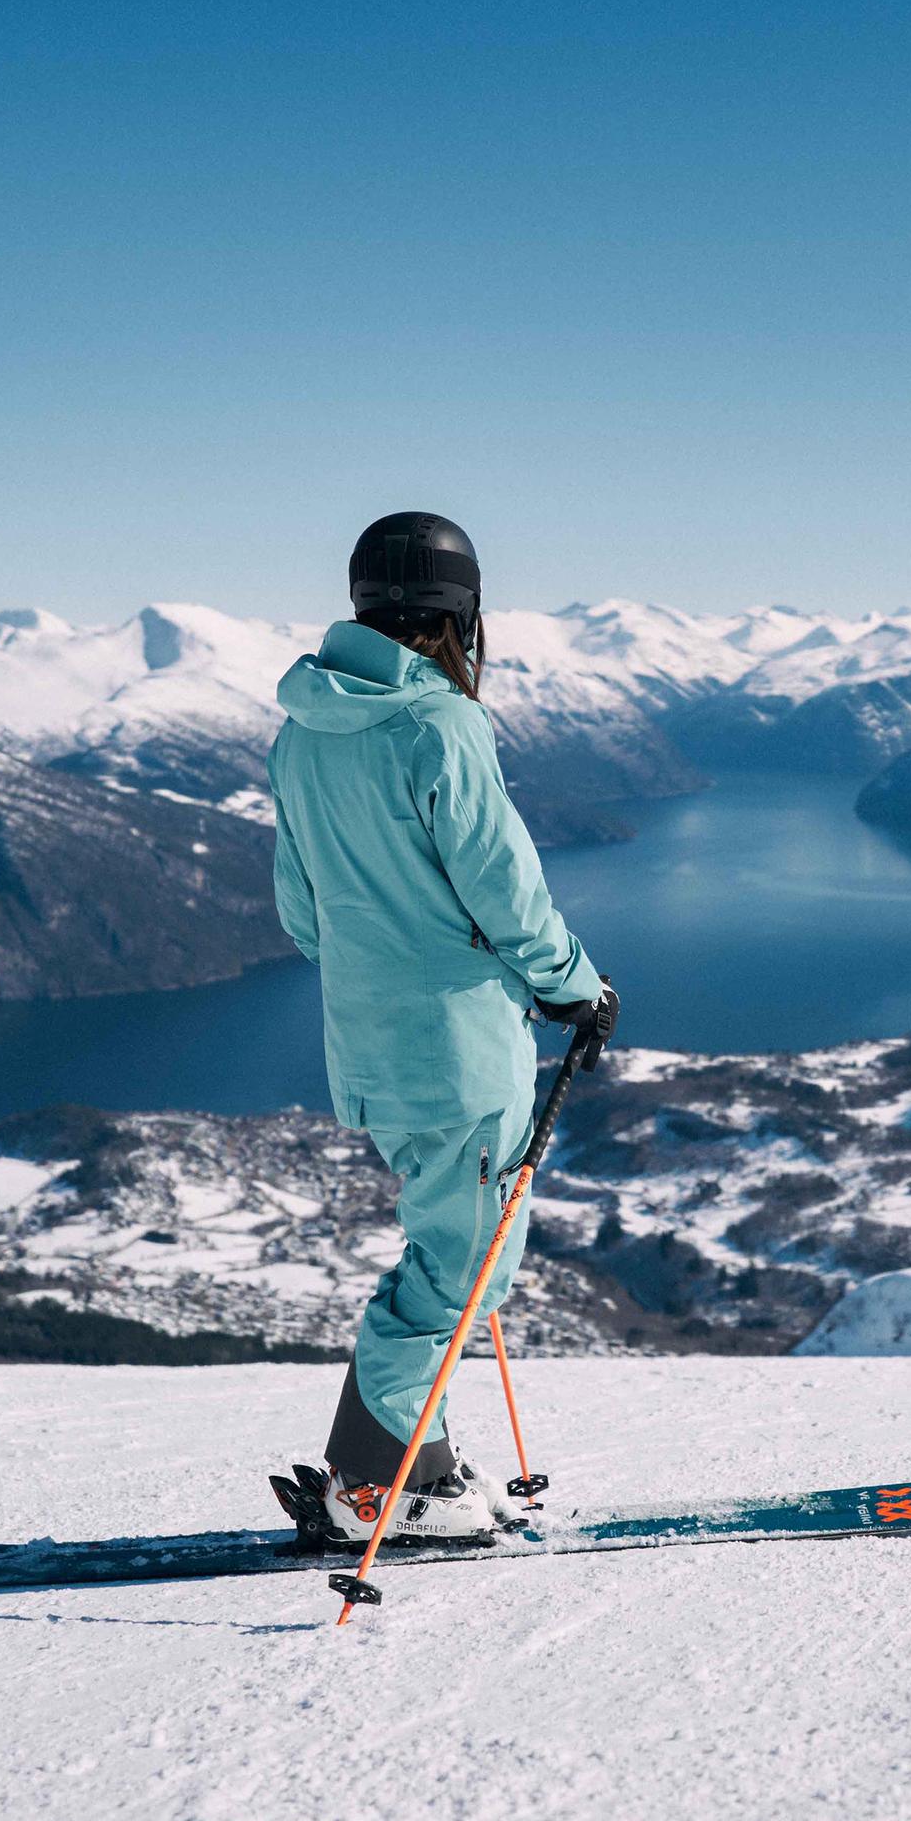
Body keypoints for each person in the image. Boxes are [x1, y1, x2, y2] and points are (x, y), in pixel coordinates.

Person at [268, 511, 614, 1543]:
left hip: (371, 1053)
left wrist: (389, 960)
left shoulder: (304, 728)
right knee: (461, 1274)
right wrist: (574, 988)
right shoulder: (440, 726)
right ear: (464, 616)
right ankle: (371, 1483)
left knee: (452, 1253)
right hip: (460, 1056)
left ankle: (422, 1465)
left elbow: (301, 914)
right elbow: (507, 890)